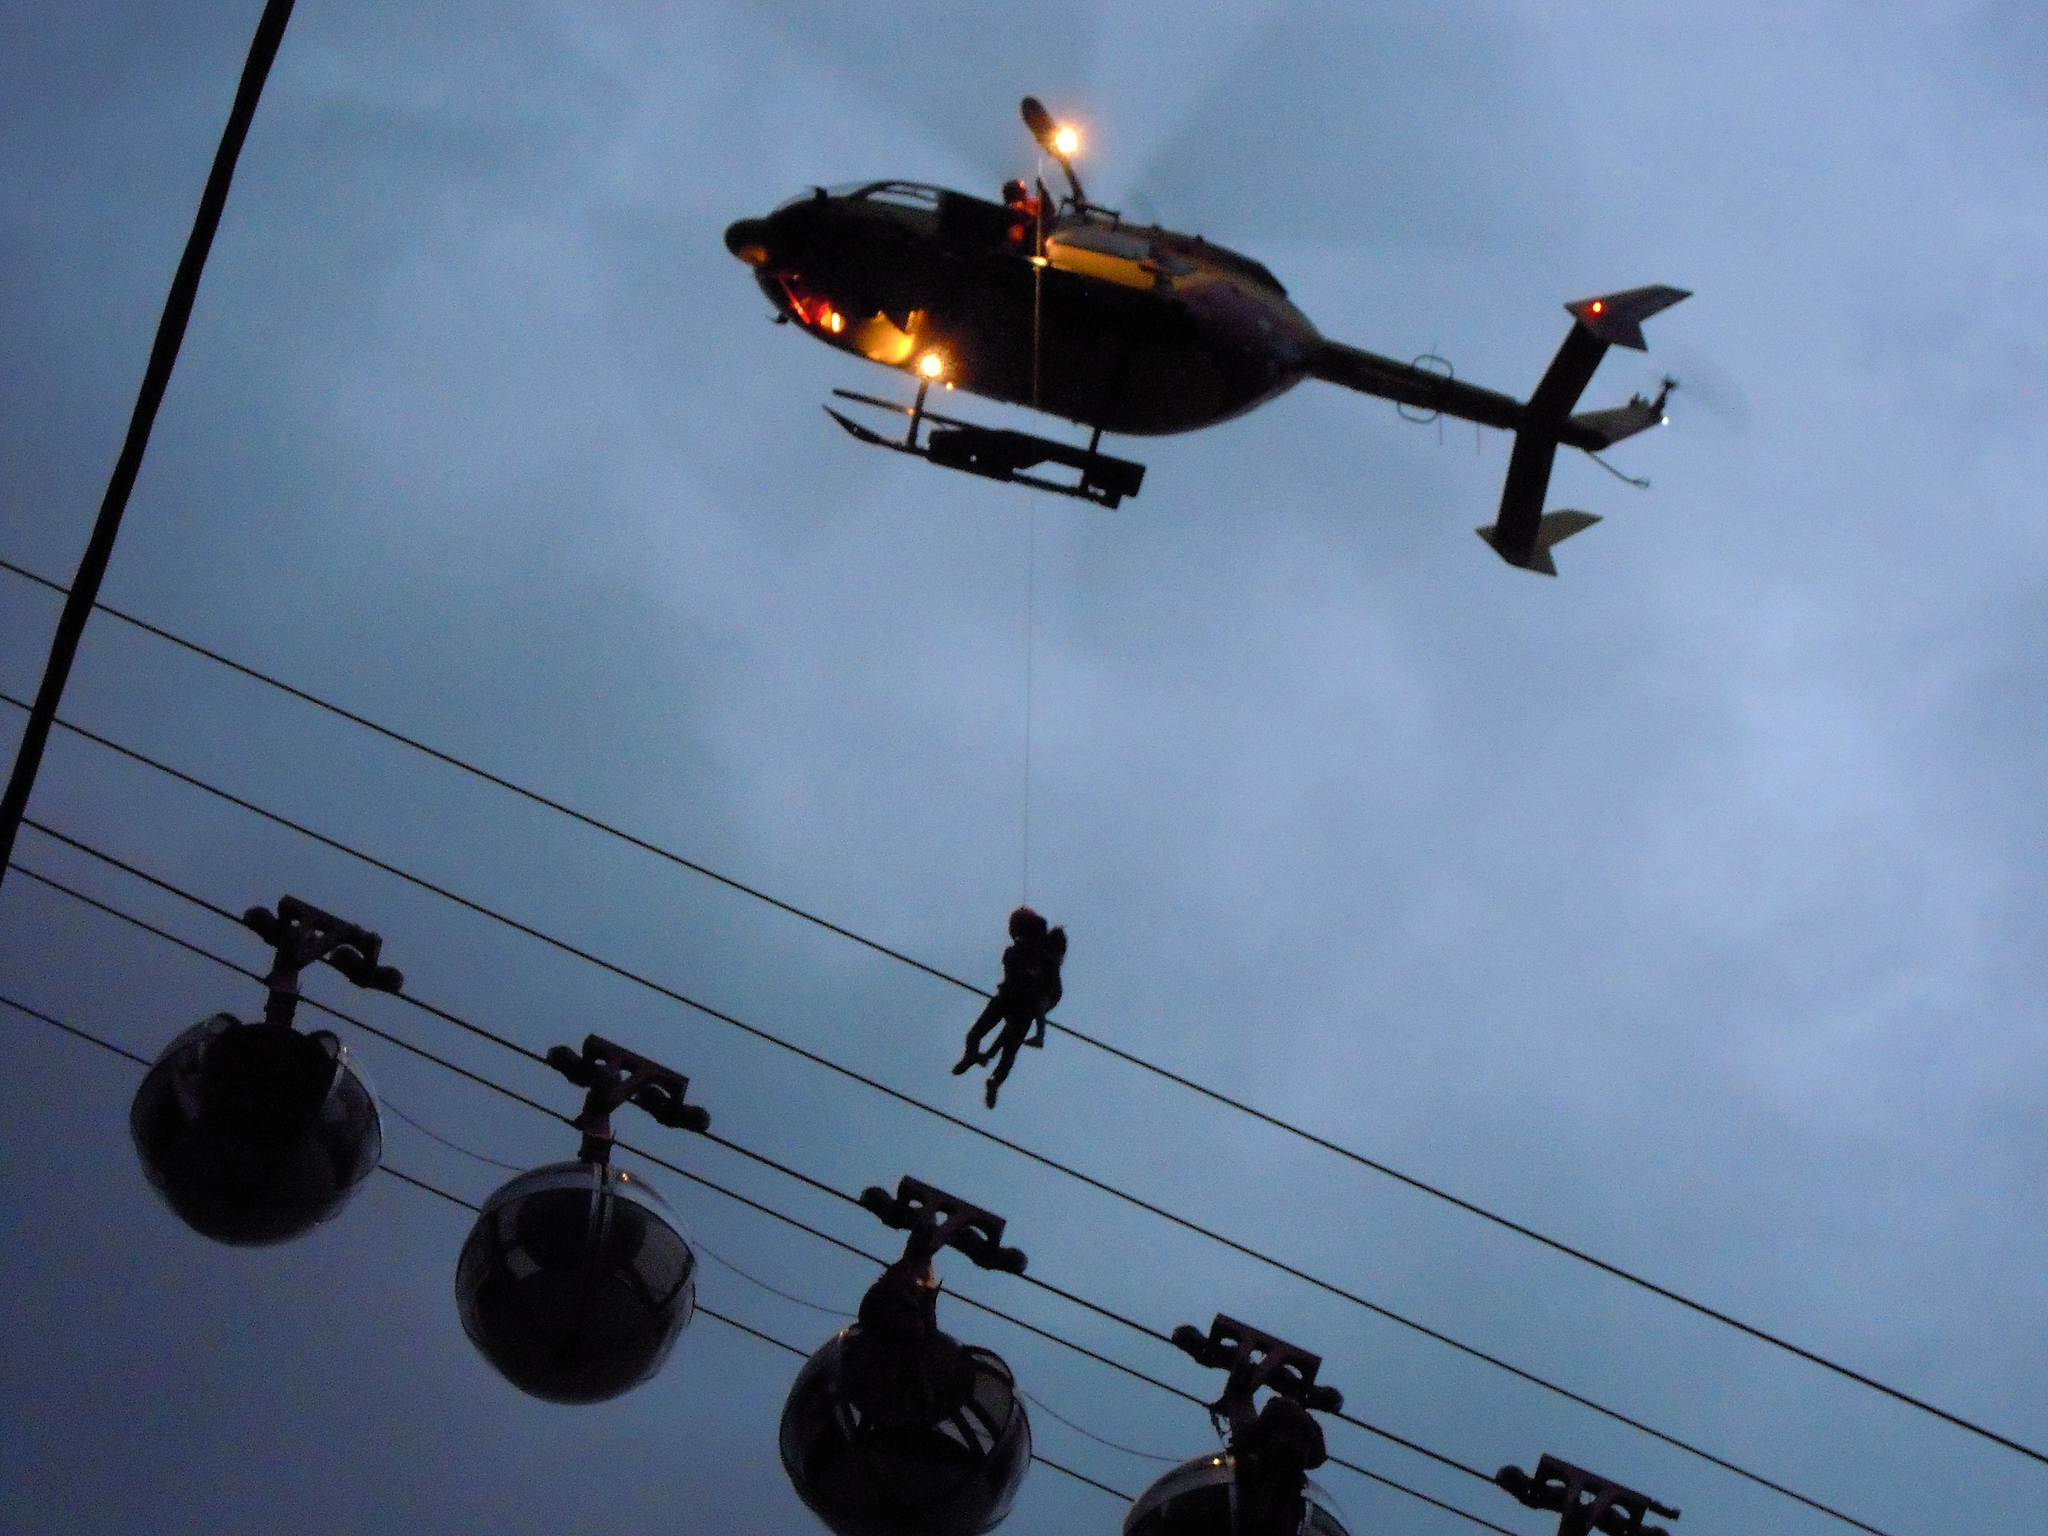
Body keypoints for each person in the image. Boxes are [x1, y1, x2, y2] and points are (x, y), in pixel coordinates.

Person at [952, 906, 1066, 1107]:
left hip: (1013, 1001)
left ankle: (985, 1070)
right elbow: (1049, 992)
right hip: (1018, 1003)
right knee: (1003, 1049)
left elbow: (1048, 991)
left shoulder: (1029, 955)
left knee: (987, 1038)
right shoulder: (1032, 956)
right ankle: (987, 1072)